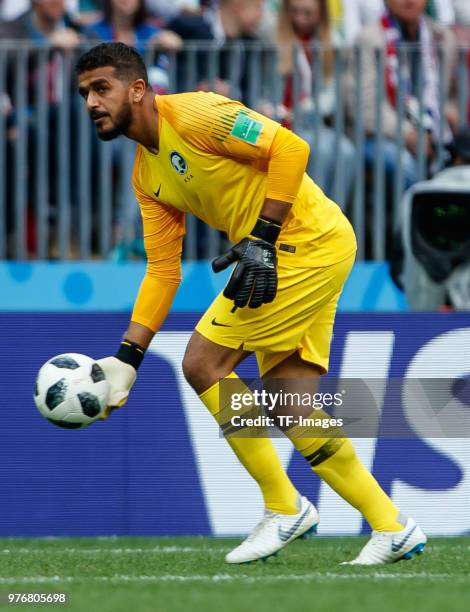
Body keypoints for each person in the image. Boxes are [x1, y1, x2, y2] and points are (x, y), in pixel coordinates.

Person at [76, 42, 427, 565]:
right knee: (291, 402)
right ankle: (392, 526)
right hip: (294, 250)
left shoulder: (196, 114)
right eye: (84, 93)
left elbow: (291, 149)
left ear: (138, 88)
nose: (91, 103)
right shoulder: (146, 177)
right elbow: (162, 271)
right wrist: (128, 357)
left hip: (300, 243)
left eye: (101, 88)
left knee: (202, 362)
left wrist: (261, 237)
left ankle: (284, 507)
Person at [349, 0, 458, 190]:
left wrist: (449, 113)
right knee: (404, 164)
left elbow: (451, 95)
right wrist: (407, 134)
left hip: (433, 133)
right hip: (379, 136)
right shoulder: (369, 38)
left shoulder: (442, 38)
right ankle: (411, 219)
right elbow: (365, 108)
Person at [277, 0, 356, 204]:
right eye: (294, 12)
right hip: (279, 123)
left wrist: (303, 109)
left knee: (346, 151)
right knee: (318, 150)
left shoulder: (331, 42)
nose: (299, 19)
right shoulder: (272, 36)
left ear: (321, 13)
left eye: (308, 13)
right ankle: (307, 221)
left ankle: (331, 221)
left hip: (312, 121)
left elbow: (330, 94)